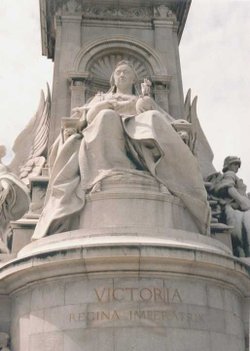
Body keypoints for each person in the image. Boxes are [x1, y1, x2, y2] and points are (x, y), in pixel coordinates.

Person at [32, 61, 210, 240]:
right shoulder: (101, 98)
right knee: (106, 116)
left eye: (126, 72)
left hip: (138, 128)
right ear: (113, 79)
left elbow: (165, 118)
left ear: (134, 79)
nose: (122, 75)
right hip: (108, 128)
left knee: (153, 118)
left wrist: (153, 109)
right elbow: (85, 116)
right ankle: (110, 171)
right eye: (118, 73)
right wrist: (101, 108)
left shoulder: (142, 99)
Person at [210, 156, 250, 256]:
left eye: (238, 165)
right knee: (238, 235)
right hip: (232, 209)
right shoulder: (230, 174)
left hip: (235, 209)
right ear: (229, 165)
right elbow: (228, 187)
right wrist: (242, 201)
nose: (237, 167)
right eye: (235, 164)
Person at [0, 146, 30, 253]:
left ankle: (2, 243)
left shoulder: (2, 167)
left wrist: (5, 186)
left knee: (2, 225)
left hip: (2, 201)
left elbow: (5, 178)